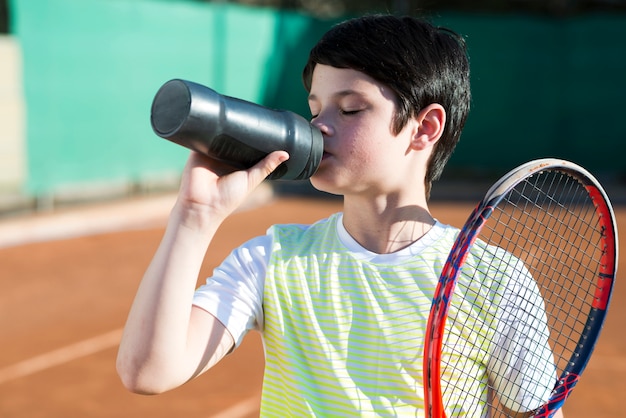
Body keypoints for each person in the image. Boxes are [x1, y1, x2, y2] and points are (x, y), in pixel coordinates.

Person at [116, 14, 563, 417]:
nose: (319, 126)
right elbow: (147, 372)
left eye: (350, 109)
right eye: (314, 109)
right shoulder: (273, 259)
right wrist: (194, 219)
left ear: (424, 128)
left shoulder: (494, 281)